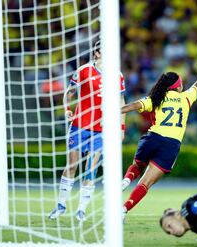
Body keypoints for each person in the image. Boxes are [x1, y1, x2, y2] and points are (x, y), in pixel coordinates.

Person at [121, 46, 197, 219]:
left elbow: (133, 106)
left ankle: (125, 180)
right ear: (177, 87)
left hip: (153, 138)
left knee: (138, 165)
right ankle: (123, 210)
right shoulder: (186, 97)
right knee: (146, 183)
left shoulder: (156, 98)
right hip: (170, 145)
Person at [49, 40, 126, 221]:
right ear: (97, 53)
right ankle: (61, 205)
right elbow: (69, 92)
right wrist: (67, 109)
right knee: (72, 165)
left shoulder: (117, 75)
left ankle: (81, 210)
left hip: (101, 129)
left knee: (91, 169)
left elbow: (121, 102)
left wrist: (121, 127)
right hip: (79, 126)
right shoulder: (83, 70)